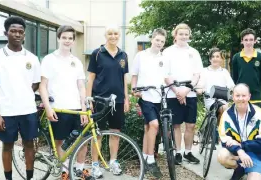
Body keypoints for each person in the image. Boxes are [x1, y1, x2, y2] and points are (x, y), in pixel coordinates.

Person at [0, 16, 40, 180]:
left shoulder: (32, 58)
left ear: (24, 35)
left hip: (28, 110)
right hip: (6, 112)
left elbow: (36, 83)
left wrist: (22, 93)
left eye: (20, 32)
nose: (17, 34)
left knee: (29, 144)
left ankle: (29, 177)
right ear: (6, 33)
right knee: (7, 146)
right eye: (13, 31)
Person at [39, 25, 94, 180]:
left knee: (83, 141)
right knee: (61, 141)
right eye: (64, 37)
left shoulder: (76, 61)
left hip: (77, 108)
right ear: (58, 38)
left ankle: (80, 169)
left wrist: (84, 108)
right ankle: (65, 171)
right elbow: (43, 86)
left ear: (73, 41)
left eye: (70, 38)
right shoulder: (49, 59)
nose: (67, 41)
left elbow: (81, 86)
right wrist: (48, 108)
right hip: (59, 108)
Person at [86, 25, 130, 178]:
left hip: (117, 101)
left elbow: (124, 78)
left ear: (119, 36)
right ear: (105, 35)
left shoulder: (124, 55)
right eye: (110, 34)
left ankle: (113, 162)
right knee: (97, 134)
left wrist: (126, 98)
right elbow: (90, 78)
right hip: (99, 100)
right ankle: (95, 165)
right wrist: (88, 99)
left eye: (116, 33)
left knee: (115, 133)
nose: (113, 36)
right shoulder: (97, 53)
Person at [130, 28, 168, 178]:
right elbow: (134, 75)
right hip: (145, 96)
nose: (159, 43)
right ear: (152, 39)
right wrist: (134, 89)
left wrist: (177, 89)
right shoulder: (141, 56)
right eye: (157, 40)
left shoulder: (164, 58)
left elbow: (166, 77)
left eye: (162, 41)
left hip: (160, 97)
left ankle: (145, 157)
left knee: (148, 127)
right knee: (154, 125)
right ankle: (151, 160)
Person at [164, 23, 203, 165]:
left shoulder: (194, 52)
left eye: (186, 34)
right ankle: (178, 153)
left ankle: (188, 152)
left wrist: (186, 91)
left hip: (190, 93)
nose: (184, 36)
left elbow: (197, 74)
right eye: (181, 34)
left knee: (191, 125)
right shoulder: (168, 52)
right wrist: (177, 92)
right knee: (176, 125)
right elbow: (165, 74)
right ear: (175, 35)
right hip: (173, 93)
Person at [217, 83, 261, 180]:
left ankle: (250, 169)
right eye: (237, 95)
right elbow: (224, 140)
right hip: (237, 154)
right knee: (222, 156)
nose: (240, 98)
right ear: (233, 97)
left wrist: (241, 145)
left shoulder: (259, 114)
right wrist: (240, 151)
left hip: (256, 156)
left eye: (244, 95)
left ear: (249, 96)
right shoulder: (227, 115)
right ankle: (239, 168)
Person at [232, 28, 261, 107]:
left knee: (256, 118)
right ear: (242, 41)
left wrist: (258, 89)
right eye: (246, 40)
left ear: (255, 41)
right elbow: (234, 77)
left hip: (255, 95)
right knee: (240, 118)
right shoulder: (236, 57)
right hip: (240, 96)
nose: (248, 42)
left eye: (251, 40)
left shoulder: (260, 57)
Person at [198, 47, 235, 119]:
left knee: (227, 109)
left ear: (221, 59)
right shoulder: (204, 71)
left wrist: (236, 93)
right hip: (210, 100)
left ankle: (219, 128)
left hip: (223, 100)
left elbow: (232, 86)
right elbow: (200, 84)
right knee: (223, 109)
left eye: (217, 57)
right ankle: (218, 128)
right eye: (213, 57)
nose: (215, 59)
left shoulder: (224, 72)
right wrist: (200, 90)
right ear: (210, 59)